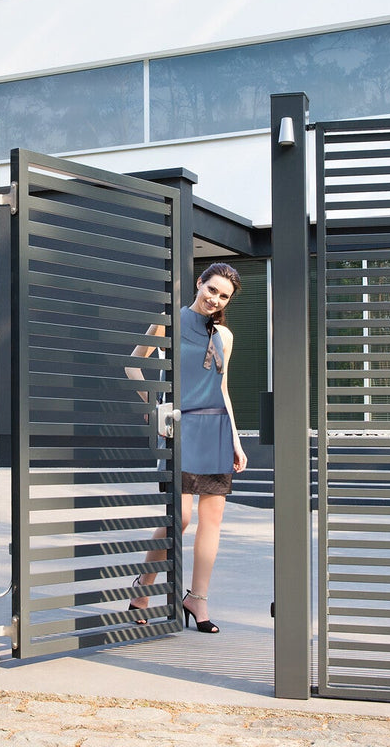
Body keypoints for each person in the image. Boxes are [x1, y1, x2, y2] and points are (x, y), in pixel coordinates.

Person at [124, 262, 247, 633]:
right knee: (180, 517)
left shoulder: (224, 336)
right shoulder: (169, 321)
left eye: (223, 296)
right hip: (182, 427)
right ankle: (143, 586)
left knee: (213, 519)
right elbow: (133, 364)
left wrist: (236, 440)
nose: (215, 299)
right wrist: (154, 407)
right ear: (199, 283)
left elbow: (222, 389)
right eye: (212, 289)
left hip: (217, 430)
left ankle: (198, 598)